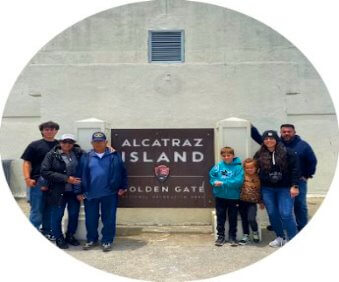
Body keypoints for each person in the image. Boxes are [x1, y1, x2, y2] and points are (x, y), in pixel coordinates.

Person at [75, 132, 128, 252]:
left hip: (109, 193)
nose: (98, 143)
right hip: (90, 194)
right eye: (96, 141)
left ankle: (107, 240)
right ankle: (92, 239)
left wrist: (123, 187)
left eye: (101, 141)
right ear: (91, 143)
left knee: (109, 218)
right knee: (91, 219)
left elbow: (122, 172)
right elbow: (78, 175)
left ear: (106, 142)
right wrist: (78, 192)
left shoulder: (114, 155)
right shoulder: (86, 156)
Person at [254, 130, 300, 247]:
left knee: (285, 214)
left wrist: (294, 186)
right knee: (272, 213)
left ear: (276, 139)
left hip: (285, 188)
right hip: (267, 189)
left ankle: (292, 238)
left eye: (271, 138)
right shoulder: (259, 154)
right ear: (263, 141)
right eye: (266, 138)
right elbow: (252, 168)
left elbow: (295, 169)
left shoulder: (287, 152)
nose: (269, 140)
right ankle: (280, 237)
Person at [40, 134, 84, 249]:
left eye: (70, 142)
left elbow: (95, 152)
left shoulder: (78, 153)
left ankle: (70, 236)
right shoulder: (51, 155)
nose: (67, 144)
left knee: (74, 214)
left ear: (73, 143)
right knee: (57, 215)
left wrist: (109, 147)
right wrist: (66, 178)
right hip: (58, 190)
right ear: (60, 142)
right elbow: (45, 171)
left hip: (74, 191)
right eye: (64, 141)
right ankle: (59, 237)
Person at [21, 121, 60, 240]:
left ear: (56, 131)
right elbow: (27, 162)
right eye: (47, 129)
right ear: (42, 131)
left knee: (50, 209)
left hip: (54, 183)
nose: (49, 131)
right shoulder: (34, 145)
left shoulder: (60, 145)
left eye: (52, 129)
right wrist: (27, 178)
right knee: (37, 209)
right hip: (37, 181)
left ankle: (46, 231)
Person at [280, 124, 317, 231]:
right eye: (284, 131)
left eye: (289, 131)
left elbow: (312, 161)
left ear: (294, 132)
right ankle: (284, 227)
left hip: (299, 181)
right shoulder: (277, 144)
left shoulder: (303, 145)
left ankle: (302, 228)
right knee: (283, 205)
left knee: (300, 204)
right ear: (281, 133)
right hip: (282, 181)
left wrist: (307, 175)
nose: (286, 133)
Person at [209, 147, 244, 247]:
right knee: (221, 217)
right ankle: (221, 237)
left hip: (233, 197)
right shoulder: (218, 166)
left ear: (233, 155)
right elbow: (212, 176)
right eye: (224, 156)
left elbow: (238, 182)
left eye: (228, 155)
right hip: (220, 196)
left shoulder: (238, 167)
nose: (226, 157)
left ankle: (233, 237)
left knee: (233, 218)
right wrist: (214, 182)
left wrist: (223, 183)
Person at [238, 158, 264, 245]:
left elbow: (261, 190)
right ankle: (246, 235)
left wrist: (261, 202)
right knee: (244, 219)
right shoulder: (241, 176)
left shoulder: (259, 177)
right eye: (247, 168)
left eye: (252, 167)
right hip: (241, 201)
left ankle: (255, 232)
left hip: (252, 202)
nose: (249, 169)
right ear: (244, 168)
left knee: (251, 218)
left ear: (256, 168)